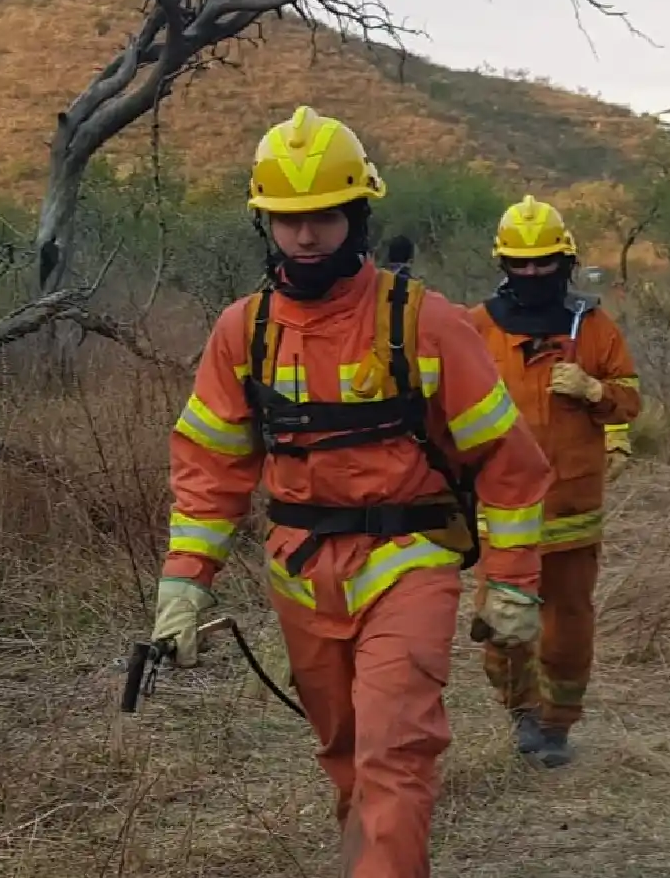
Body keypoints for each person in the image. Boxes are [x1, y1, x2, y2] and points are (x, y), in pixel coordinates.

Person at [151, 106, 553, 877]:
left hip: (409, 561)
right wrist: (184, 583)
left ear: (358, 214)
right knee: (344, 754)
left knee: (394, 752)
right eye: (289, 221)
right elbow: (210, 468)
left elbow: (508, 461)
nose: (307, 237)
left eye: (325, 217)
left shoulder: (424, 321)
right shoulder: (244, 331)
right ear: (264, 223)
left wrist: (511, 582)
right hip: (300, 575)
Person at [466, 194, 641, 768]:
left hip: (572, 507)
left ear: (564, 261)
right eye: (521, 262)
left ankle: (557, 724)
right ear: (504, 264)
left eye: (544, 261)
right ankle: (519, 713)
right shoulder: (477, 328)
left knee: (566, 626)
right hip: (501, 514)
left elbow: (630, 400)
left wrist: (595, 392)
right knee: (501, 626)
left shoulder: (592, 326)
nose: (533, 272)